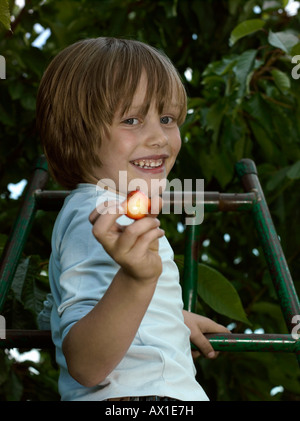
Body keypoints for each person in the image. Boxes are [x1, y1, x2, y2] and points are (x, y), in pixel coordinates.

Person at [36, 37, 230, 401]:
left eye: (168, 118)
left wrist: (165, 316)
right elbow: (87, 363)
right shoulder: (99, 214)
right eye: (131, 119)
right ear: (76, 132)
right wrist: (138, 282)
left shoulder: (101, 208)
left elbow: (66, 314)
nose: (159, 137)